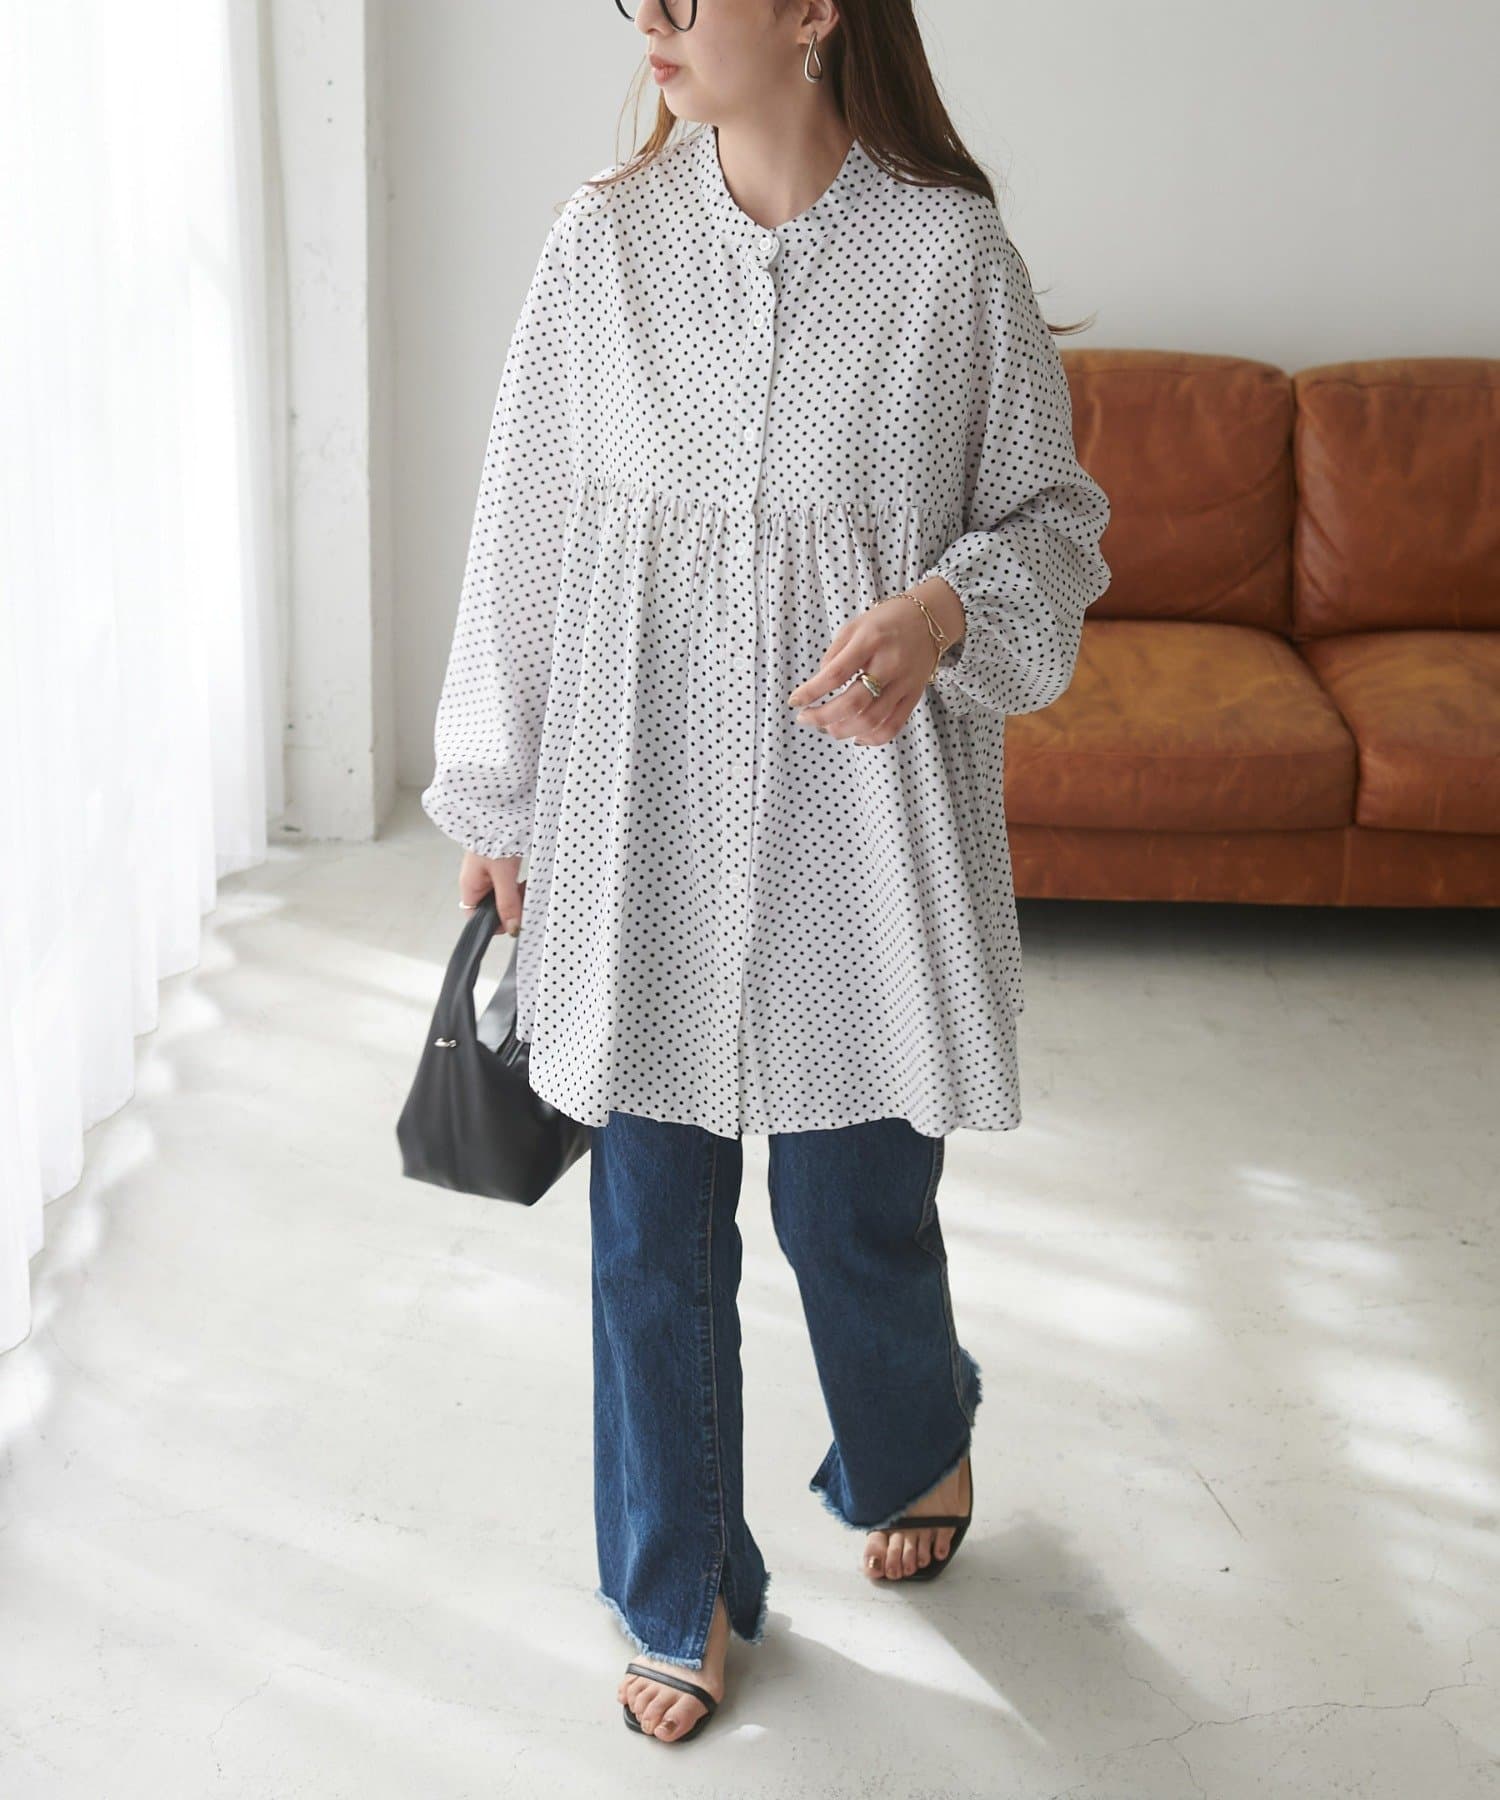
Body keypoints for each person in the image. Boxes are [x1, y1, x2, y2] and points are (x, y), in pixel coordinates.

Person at [421, 0, 1111, 1748]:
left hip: (860, 840)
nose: (648, 19)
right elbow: (524, 527)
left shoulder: (950, 261)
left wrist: (940, 611)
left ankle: (913, 1437)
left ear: (814, 9)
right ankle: (682, 1588)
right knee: (649, 1230)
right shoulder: (602, 248)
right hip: (635, 819)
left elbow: (1056, 530)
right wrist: (498, 792)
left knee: (847, 1209)